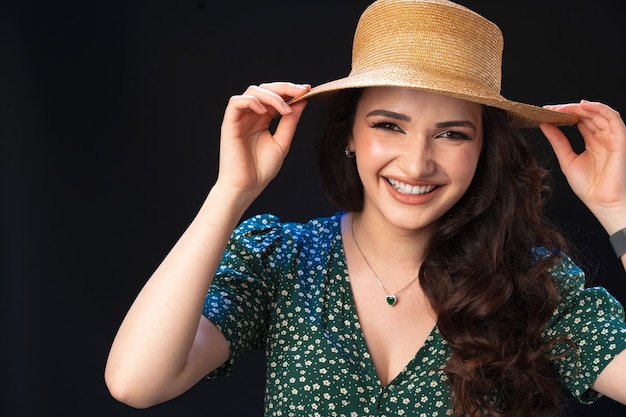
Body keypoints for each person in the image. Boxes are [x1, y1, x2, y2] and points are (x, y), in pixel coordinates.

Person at [104, 0, 626, 416]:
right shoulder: (281, 259)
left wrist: (617, 211)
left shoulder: (532, 281)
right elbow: (136, 382)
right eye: (389, 126)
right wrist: (231, 191)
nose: (417, 163)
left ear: (483, 149)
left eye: (450, 133)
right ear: (350, 134)